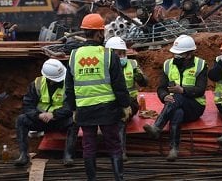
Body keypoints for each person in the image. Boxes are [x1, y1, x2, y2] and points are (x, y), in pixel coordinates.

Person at [65, 13, 130, 180]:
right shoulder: (108, 55)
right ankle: (118, 178)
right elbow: (119, 85)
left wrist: (73, 108)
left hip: (85, 109)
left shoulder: (74, 56)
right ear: (100, 33)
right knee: (114, 146)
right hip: (107, 108)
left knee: (89, 146)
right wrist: (125, 105)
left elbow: (69, 87)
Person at [143, 34, 208, 162]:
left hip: (195, 106)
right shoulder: (168, 64)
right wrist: (164, 96)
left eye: (180, 55)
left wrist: (183, 90)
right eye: (175, 54)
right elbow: (161, 88)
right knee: (177, 112)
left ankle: (157, 127)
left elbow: (200, 90)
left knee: (178, 96)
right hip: (174, 105)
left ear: (189, 54)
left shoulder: (200, 65)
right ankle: (173, 149)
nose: (176, 57)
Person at [14, 59, 77, 167]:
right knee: (21, 120)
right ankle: (23, 155)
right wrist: (38, 115)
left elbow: (70, 106)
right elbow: (28, 105)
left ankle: (68, 156)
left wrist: (55, 115)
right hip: (40, 120)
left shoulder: (68, 85)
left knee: (75, 121)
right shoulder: (36, 84)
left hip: (59, 120)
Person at [105, 36, 149, 161]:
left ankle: (121, 151)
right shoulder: (104, 67)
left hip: (130, 102)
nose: (122, 56)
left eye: (123, 53)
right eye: (118, 54)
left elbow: (145, 82)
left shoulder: (133, 64)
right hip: (112, 101)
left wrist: (141, 78)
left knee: (121, 117)